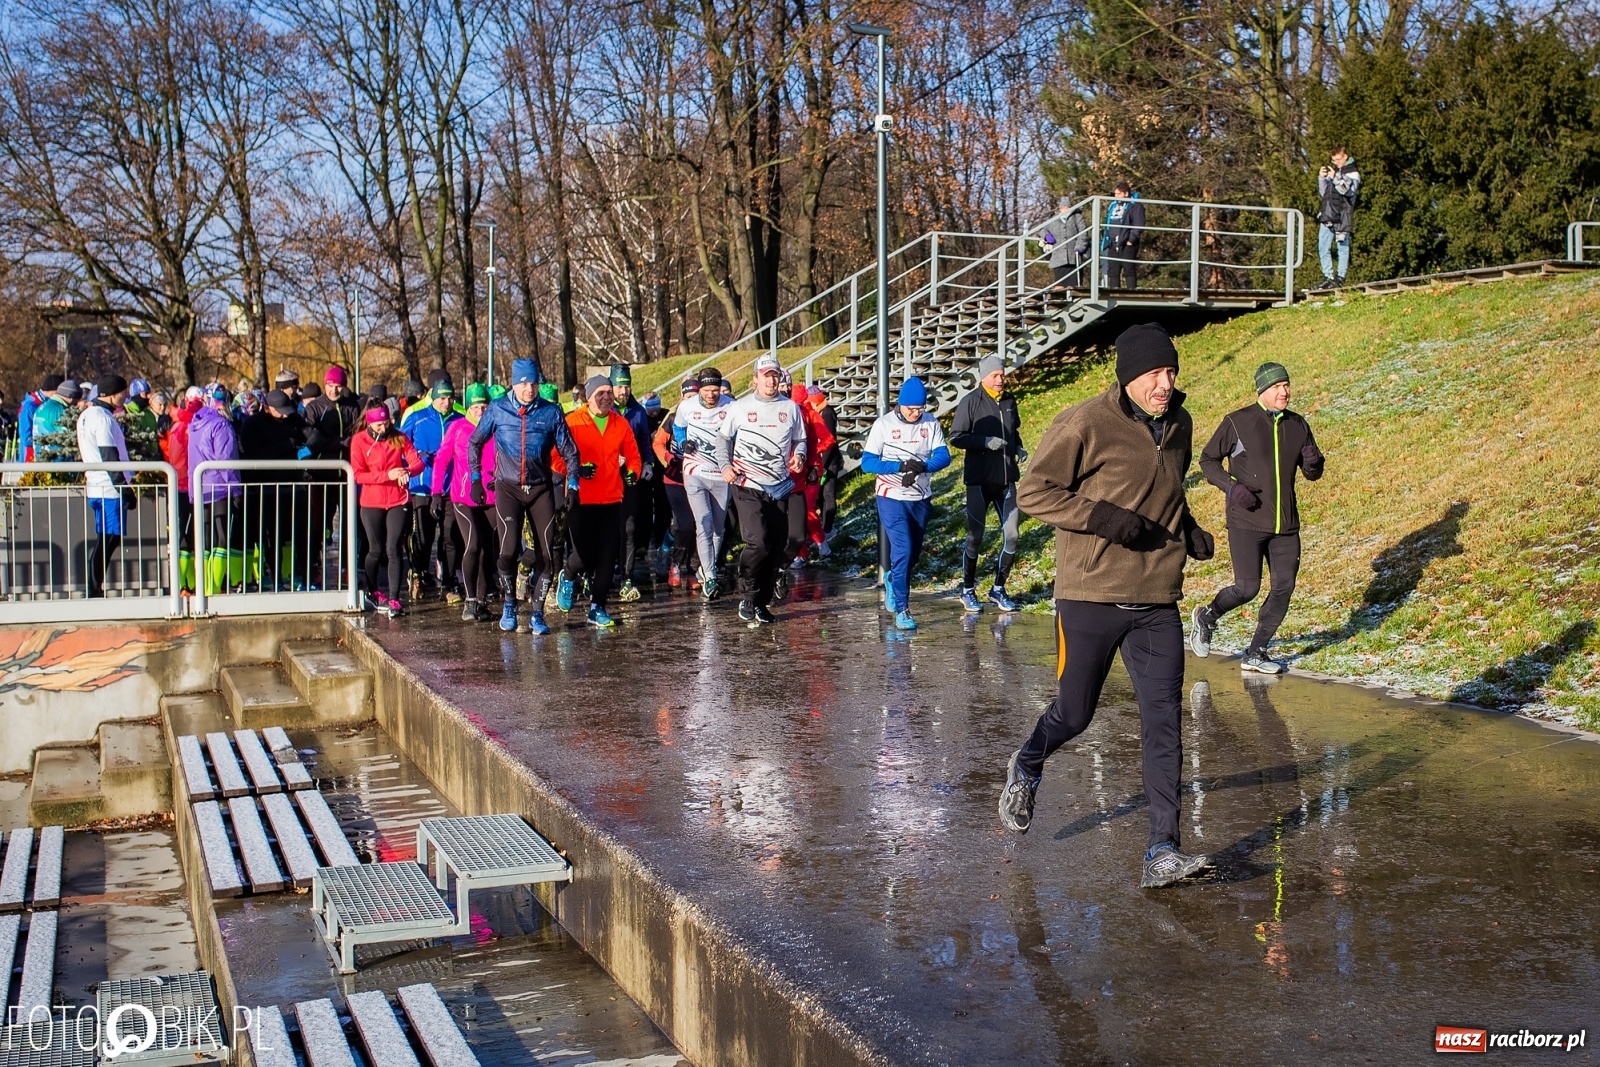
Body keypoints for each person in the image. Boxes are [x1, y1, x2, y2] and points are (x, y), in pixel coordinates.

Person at [997, 322, 1216, 890]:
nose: (1165, 383)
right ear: (1128, 377)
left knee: (1164, 723)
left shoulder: (1181, 423)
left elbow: (1167, 488)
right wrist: (1102, 518)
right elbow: (1034, 492)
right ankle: (1028, 762)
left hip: (1157, 598)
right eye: (1154, 373)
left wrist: (1187, 526)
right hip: (1089, 594)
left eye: (1171, 371)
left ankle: (1163, 850)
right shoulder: (1085, 423)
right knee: (1074, 714)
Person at [1192, 361, 1326, 673]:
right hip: (1247, 520)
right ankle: (1207, 616)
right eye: (1277, 386)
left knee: (1283, 588)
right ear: (1262, 390)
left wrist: (1314, 463)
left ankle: (1256, 653)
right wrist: (1231, 487)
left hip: (1285, 525)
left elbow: (1312, 474)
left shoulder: (1298, 425)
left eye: (1286, 385)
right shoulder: (1238, 422)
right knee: (1247, 588)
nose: (1284, 391)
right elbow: (1208, 460)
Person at [469, 359, 579, 636]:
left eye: (534, 383)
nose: (530, 389)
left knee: (547, 555)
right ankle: (509, 603)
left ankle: (537, 614)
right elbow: (475, 442)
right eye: (524, 383)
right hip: (508, 488)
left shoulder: (551, 411)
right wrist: (476, 479)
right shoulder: (498, 408)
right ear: (514, 384)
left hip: (540, 488)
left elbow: (570, 451)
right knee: (507, 552)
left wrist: (573, 485)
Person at [715, 354, 807, 624]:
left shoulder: (790, 408)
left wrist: (799, 455)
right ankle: (747, 594)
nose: (771, 381)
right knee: (758, 541)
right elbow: (723, 439)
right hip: (747, 483)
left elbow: (800, 439)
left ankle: (761, 601)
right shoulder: (740, 407)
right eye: (766, 376)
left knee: (776, 546)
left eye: (775, 376)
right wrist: (724, 465)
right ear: (755, 379)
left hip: (779, 485)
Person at [859, 378, 951, 630]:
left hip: (920, 497)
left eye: (920, 409)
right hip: (890, 496)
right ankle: (903, 609)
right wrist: (899, 467)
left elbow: (944, 456)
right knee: (903, 549)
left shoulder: (930, 423)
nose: (915, 413)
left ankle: (892, 578)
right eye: (911, 409)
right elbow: (867, 463)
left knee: (913, 555)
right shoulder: (884, 424)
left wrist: (923, 466)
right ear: (900, 405)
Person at [552, 375, 641, 629]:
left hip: (612, 497)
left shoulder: (620, 423)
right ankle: (568, 575)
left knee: (607, 556)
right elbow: (554, 457)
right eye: (600, 393)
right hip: (580, 498)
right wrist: (576, 470)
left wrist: (632, 473)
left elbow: (633, 456)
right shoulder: (572, 422)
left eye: (609, 393)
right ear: (588, 397)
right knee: (584, 554)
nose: (606, 397)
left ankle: (597, 607)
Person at [949, 355, 1024, 614]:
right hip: (979, 481)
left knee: (1012, 536)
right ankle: (967, 589)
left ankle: (998, 589)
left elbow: (1013, 431)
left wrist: (1018, 447)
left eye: (1002, 375)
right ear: (984, 377)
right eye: (995, 375)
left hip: (1006, 480)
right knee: (975, 537)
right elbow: (956, 437)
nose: (1000, 379)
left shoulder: (1009, 401)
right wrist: (984, 442)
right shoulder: (971, 401)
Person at [433, 383, 500, 622]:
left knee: (489, 550)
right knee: (473, 545)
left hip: (491, 497)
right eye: (475, 407)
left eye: (484, 406)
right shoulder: (458, 428)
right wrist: (436, 493)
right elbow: (441, 460)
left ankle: (481, 601)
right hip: (463, 497)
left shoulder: (496, 427)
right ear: (468, 407)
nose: (480, 411)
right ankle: (470, 600)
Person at [239, 389, 317, 590]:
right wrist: (289, 445)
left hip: (293, 487)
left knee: (298, 535)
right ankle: (275, 581)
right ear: (267, 408)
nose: (284, 416)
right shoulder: (253, 424)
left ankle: (302, 579)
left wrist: (307, 448)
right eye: (280, 412)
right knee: (271, 538)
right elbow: (254, 453)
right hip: (265, 489)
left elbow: (312, 435)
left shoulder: (293, 419)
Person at [350, 406, 423, 617]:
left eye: (386, 423)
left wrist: (406, 471)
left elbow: (417, 463)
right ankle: (373, 590)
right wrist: (387, 475)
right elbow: (358, 475)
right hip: (372, 501)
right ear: (370, 423)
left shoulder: (398, 437)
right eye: (379, 425)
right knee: (376, 549)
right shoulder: (359, 440)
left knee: (393, 548)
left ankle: (394, 599)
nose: (384, 428)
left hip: (398, 499)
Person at [401, 380, 462, 602]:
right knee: (423, 538)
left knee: (450, 536)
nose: (447, 403)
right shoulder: (417, 417)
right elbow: (400, 445)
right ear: (433, 398)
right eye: (442, 398)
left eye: (450, 398)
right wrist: (417, 455)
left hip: (450, 487)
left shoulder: (459, 419)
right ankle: (417, 574)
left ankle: (448, 583)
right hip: (423, 486)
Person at [678, 366, 735, 598]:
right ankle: (710, 577)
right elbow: (678, 428)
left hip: (722, 474)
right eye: (706, 390)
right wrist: (683, 443)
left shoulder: (731, 406)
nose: (711, 395)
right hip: (695, 471)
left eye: (715, 390)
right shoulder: (687, 406)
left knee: (719, 529)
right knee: (704, 523)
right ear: (699, 389)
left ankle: (705, 567)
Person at [76, 374, 134, 598]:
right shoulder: (102, 419)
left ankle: (95, 586)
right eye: (122, 393)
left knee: (106, 538)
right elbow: (109, 456)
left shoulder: (87, 415)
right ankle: (93, 588)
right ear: (111, 395)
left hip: (97, 485)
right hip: (108, 488)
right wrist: (124, 489)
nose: (125, 397)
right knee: (109, 539)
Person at [188, 385, 245, 592]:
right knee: (221, 537)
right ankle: (214, 587)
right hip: (219, 487)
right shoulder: (221, 425)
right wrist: (236, 490)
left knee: (205, 538)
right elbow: (226, 460)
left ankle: (204, 587)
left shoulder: (195, 423)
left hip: (200, 487)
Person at [608, 364, 652, 601]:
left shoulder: (638, 411)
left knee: (630, 527)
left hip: (630, 475)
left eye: (627, 386)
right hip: (606, 478)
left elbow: (644, 440)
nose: (623, 391)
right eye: (619, 386)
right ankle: (598, 574)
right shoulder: (604, 409)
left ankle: (628, 577)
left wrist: (648, 463)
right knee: (607, 527)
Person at [652, 379, 699, 588]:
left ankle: (692, 569)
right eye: (688, 398)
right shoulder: (673, 418)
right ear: (681, 398)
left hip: (698, 477)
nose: (691, 402)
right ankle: (674, 563)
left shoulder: (705, 417)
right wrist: (669, 458)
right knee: (685, 524)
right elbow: (657, 443)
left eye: (695, 397)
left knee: (697, 525)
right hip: (675, 478)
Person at [1313, 147, 1360, 291]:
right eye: (1333, 160)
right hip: (1327, 215)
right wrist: (1322, 178)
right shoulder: (1334, 172)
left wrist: (1335, 178)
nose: (1336, 162)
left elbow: (1347, 191)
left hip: (1342, 216)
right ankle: (1328, 277)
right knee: (1323, 247)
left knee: (1342, 247)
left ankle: (1340, 277)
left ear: (1345, 156)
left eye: (1338, 159)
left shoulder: (1353, 173)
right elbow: (1324, 193)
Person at [1037, 196, 1090, 288]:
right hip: (1058, 258)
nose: (1065, 209)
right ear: (1059, 208)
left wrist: (1079, 247)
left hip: (1074, 257)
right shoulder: (1054, 218)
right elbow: (1042, 229)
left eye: (1067, 207)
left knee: (1074, 287)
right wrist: (1047, 236)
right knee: (1060, 287)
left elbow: (1083, 233)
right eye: (1062, 207)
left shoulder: (1077, 217)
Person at [1103, 182, 1145, 290]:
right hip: (1112, 243)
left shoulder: (1135, 205)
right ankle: (1114, 294)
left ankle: (1131, 293)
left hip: (1127, 243)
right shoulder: (1113, 205)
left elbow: (1138, 223)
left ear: (1126, 193)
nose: (1116, 196)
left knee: (1128, 268)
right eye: (1115, 194)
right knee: (1113, 270)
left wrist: (1131, 239)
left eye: (1119, 194)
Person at [32, 379, 82, 460]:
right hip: (57, 459)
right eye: (77, 399)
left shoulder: (42, 407)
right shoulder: (60, 410)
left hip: (41, 456)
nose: (77, 403)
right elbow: (69, 437)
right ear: (70, 397)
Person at [18, 374, 62, 462]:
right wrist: (50, 441)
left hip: (45, 456)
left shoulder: (49, 404)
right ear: (54, 391)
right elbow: (26, 438)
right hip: (30, 457)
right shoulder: (30, 406)